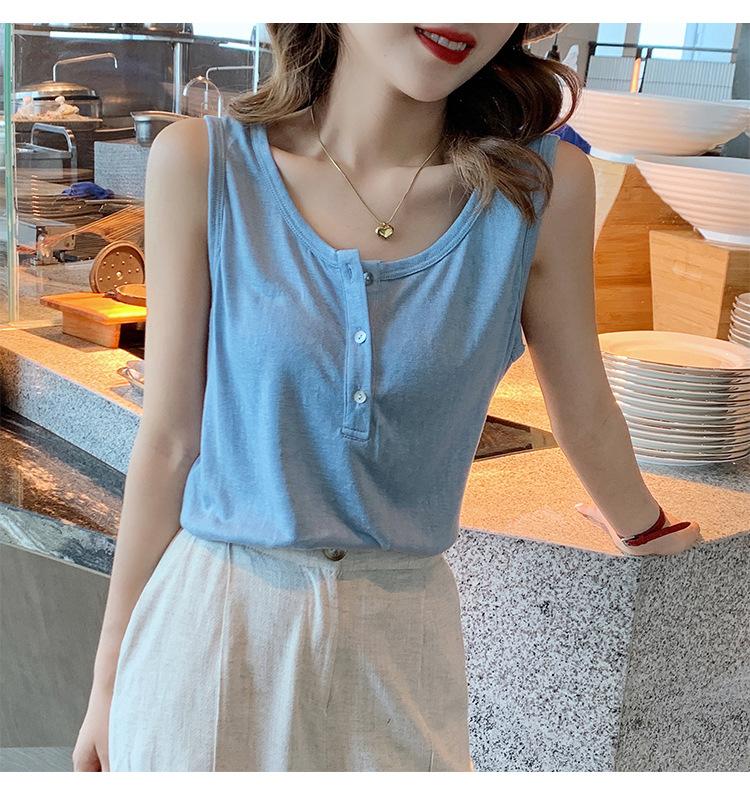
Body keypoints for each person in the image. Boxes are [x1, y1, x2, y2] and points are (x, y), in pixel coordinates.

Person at [72, 22, 701, 773]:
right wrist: (107, 679)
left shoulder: (540, 188)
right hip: (212, 631)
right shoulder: (203, 162)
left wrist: (650, 531)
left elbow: (584, 405)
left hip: (404, 641)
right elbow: (171, 439)